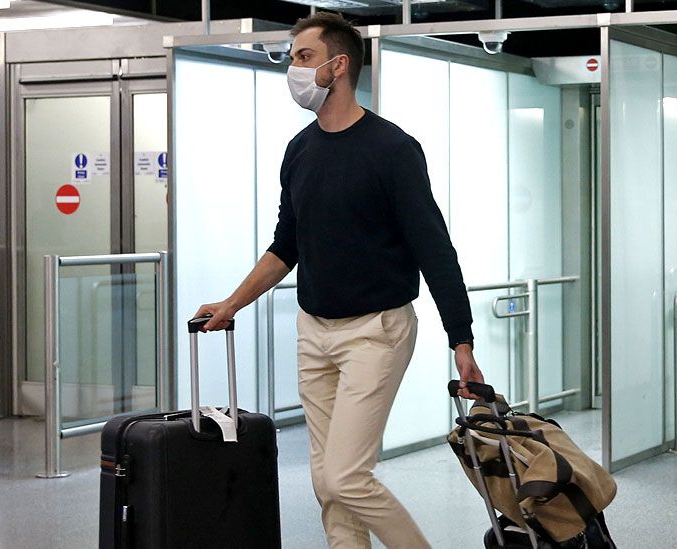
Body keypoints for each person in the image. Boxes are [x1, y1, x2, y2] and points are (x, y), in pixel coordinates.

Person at [194, 12, 485, 549]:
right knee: (328, 487)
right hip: (315, 333)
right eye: (292, 59)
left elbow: (435, 251)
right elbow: (287, 246)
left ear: (339, 65)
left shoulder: (394, 150)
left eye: (304, 58)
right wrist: (233, 303)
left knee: (345, 476)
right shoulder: (300, 151)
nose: (293, 69)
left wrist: (460, 342)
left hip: (376, 332)